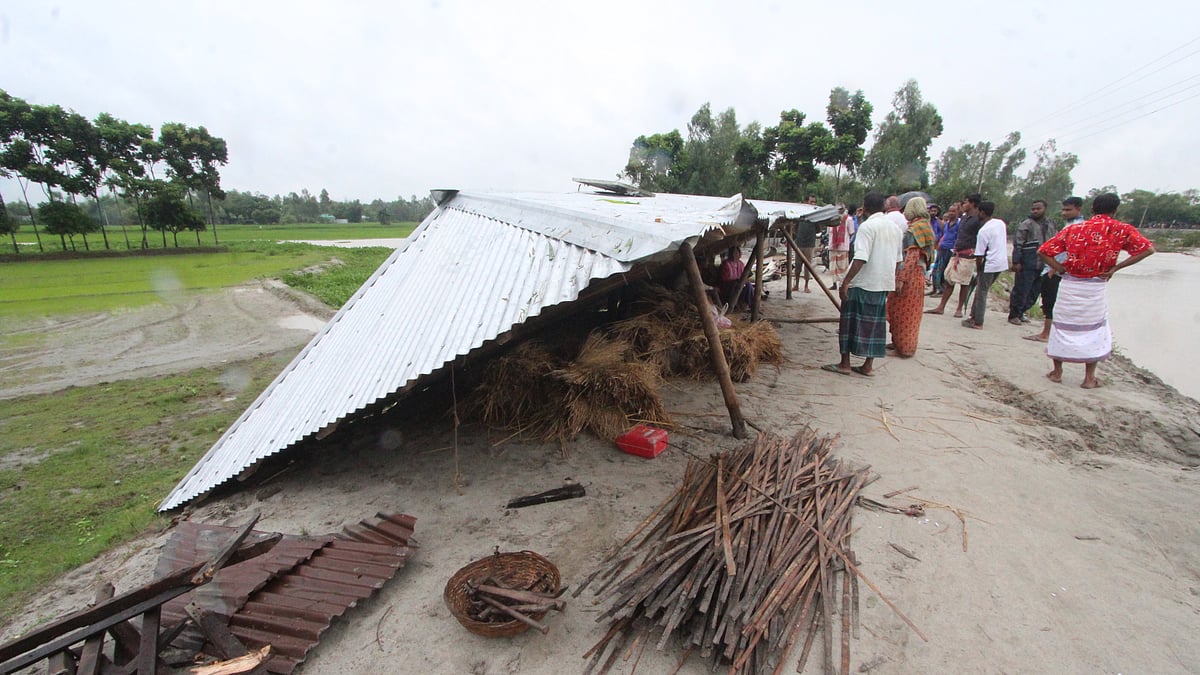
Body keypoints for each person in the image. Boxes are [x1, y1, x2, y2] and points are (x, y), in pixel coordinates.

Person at [1037, 192, 1154, 388]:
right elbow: (1147, 249)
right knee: (1094, 330)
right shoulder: (1121, 230)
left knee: (1063, 326)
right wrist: (1116, 268)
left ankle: (1057, 372)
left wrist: (1060, 269)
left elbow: (1043, 251)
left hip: (1070, 285)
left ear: (1092, 209)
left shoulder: (1075, 229)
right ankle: (1089, 378)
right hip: (1096, 286)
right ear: (1115, 210)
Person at [823, 192, 903, 376]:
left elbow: (860, 258)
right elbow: (899, 260)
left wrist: (846, 282)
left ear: (865, 208)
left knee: (849, 323)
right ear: (883, 207)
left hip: (863, 283)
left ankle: (845, 363)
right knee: (874, 325)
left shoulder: (867, 227)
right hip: (882, 283)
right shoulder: (895, 229)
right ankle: (868, 365)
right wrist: (893, 279)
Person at [1025, 197, 1084, 342]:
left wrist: (1056, 267)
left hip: (1057, 271)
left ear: (1078, 209)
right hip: (1054, 269)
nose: (1064, 213)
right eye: (1063, 209)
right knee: (1049, 301)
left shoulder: (1077, 227)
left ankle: (1046, 333)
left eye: (1068, 210)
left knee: (1051, 301)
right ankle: (1049, 332)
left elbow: (1071, 250)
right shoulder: (1069, 225)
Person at [886, 197, 936, 356]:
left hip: (909, 275)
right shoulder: (925, 227)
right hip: (918, 275)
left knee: (904, 313)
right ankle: (898, 343)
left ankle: (904, 348)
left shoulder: (914, 230)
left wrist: (901, 279)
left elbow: (912, 256)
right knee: (906, 311)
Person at [927, 193, 983, 317]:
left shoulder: (977, 219)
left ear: (973, 204)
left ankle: (959, 309)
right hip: (956, 252)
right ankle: (941, 306)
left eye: (966, 202)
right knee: (949, 280)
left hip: (968, 254)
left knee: (964, 283)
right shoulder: (964, 218)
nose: (964, 205)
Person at [1007, 200, 1056, 325]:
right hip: (1027, 263)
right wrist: (1016, 261)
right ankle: (1014, 314)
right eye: (1033, 209)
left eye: (1038, 208)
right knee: (1021, 289)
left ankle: (1022, 311)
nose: (1035, 211)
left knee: (1035, 292)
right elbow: (1018, 243)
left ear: (1045, 209)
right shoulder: (1026, 224)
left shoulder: (1051, 224)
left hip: (1044, 264)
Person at [963, 201, 1007, 329]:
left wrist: (978, 269)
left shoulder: (983, 231)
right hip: (1001, 263)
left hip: (990, 263)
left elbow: (979, 255)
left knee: (981, 291)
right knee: (982, 290)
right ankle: (974, 315)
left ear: (981, 212)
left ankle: (978, 321)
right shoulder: (1000, 223)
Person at [930, 202, 959, 296]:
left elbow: (958, 237)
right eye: (950, 211)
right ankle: (935, 288)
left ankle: (941, 289)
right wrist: (939, 243)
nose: (951, 213)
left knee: (943, 270)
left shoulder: (958, 224)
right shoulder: (947, 224)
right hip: (942, 248)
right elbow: (945, 235)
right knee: (936, 268)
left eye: (953, 211)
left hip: (949, 249)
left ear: (958, 212)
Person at [829, 204, 856, 289]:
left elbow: (852, 232)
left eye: (841, 208)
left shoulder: (848, 219)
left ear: (844, 209)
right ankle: (834, 284)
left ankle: (842, 284)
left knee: (843, 267)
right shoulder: (831, 219)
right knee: (833, 267)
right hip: (832, 246)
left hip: (843, 247)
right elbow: (829, 231)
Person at [792, 218, 818, 293]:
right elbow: (795, 228)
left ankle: (806, 286)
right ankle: (796, 285)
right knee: (798, 265)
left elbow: (818, 229)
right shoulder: (800, 218)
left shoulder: (815, 218)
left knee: (807, 266)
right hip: (800, 244)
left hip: (809, 245)